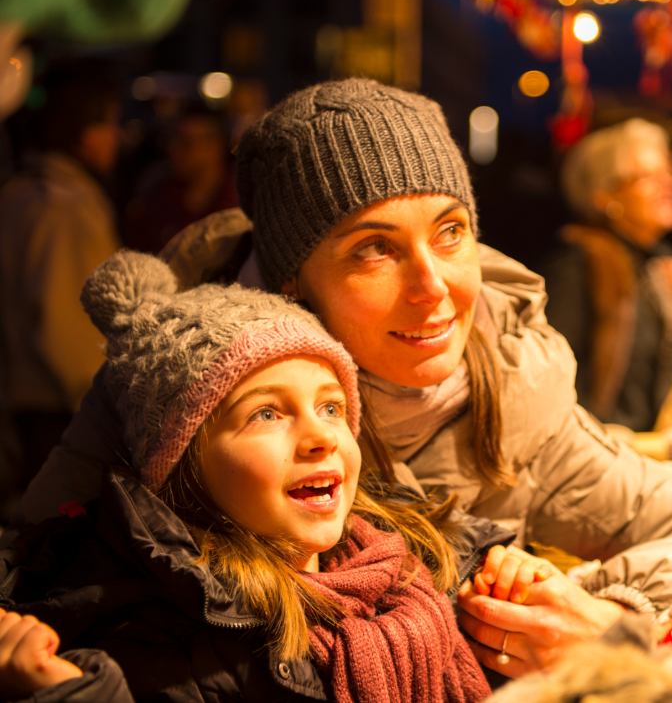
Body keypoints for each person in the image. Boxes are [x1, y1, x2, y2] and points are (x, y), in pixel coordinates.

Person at [6, 79, 672, 678]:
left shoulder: (511, 388)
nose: (433, 288)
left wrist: (607, 614)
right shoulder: (171, 385)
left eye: (450, 231)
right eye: (374, 249)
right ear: (291, 282)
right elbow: (29, 577)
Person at [0, 250, 494, 702]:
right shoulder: (165, 647)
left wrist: (511, 577)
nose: (320, 437)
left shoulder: (410, 552)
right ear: (185, 464)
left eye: (330, 407)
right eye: (266, 414)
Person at [0, 62, 121, 490]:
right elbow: (65, 325)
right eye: (109, 123)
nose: (116, 137)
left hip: (26, 404)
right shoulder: (64, 205)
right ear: (83, 131)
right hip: (60, 410)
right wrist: (108, 413)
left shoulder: (19, 190)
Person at [542, 119, 672, 432]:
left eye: (668, 171)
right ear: (605, 196)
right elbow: (550, 385)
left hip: (642, 446)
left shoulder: (645, 264)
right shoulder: (578, 265)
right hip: (598, 449)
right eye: (646, 176)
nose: (667, 183)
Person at [123, 105, 238, 254]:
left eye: (187, 142)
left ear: (216, 147)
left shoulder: (240, 203)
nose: (175, 149)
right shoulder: (158, 198)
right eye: (174, 139)